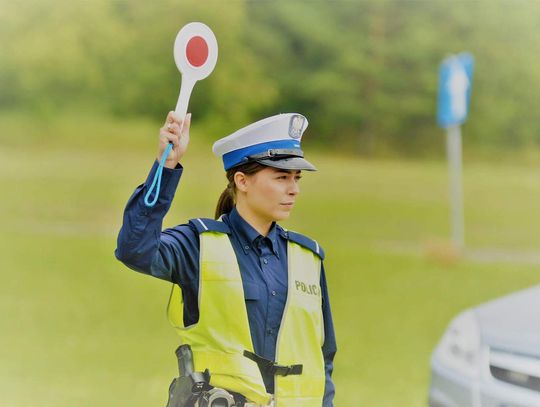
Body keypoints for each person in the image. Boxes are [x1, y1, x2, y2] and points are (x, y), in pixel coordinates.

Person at [115, 111, 337, 406]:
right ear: (242, 181)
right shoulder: (197, 244)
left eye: (297, 178)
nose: (293, 188)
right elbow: (135, 249)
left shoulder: (308, 257)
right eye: (281, 177)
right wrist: (165, 167)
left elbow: (323, 359)